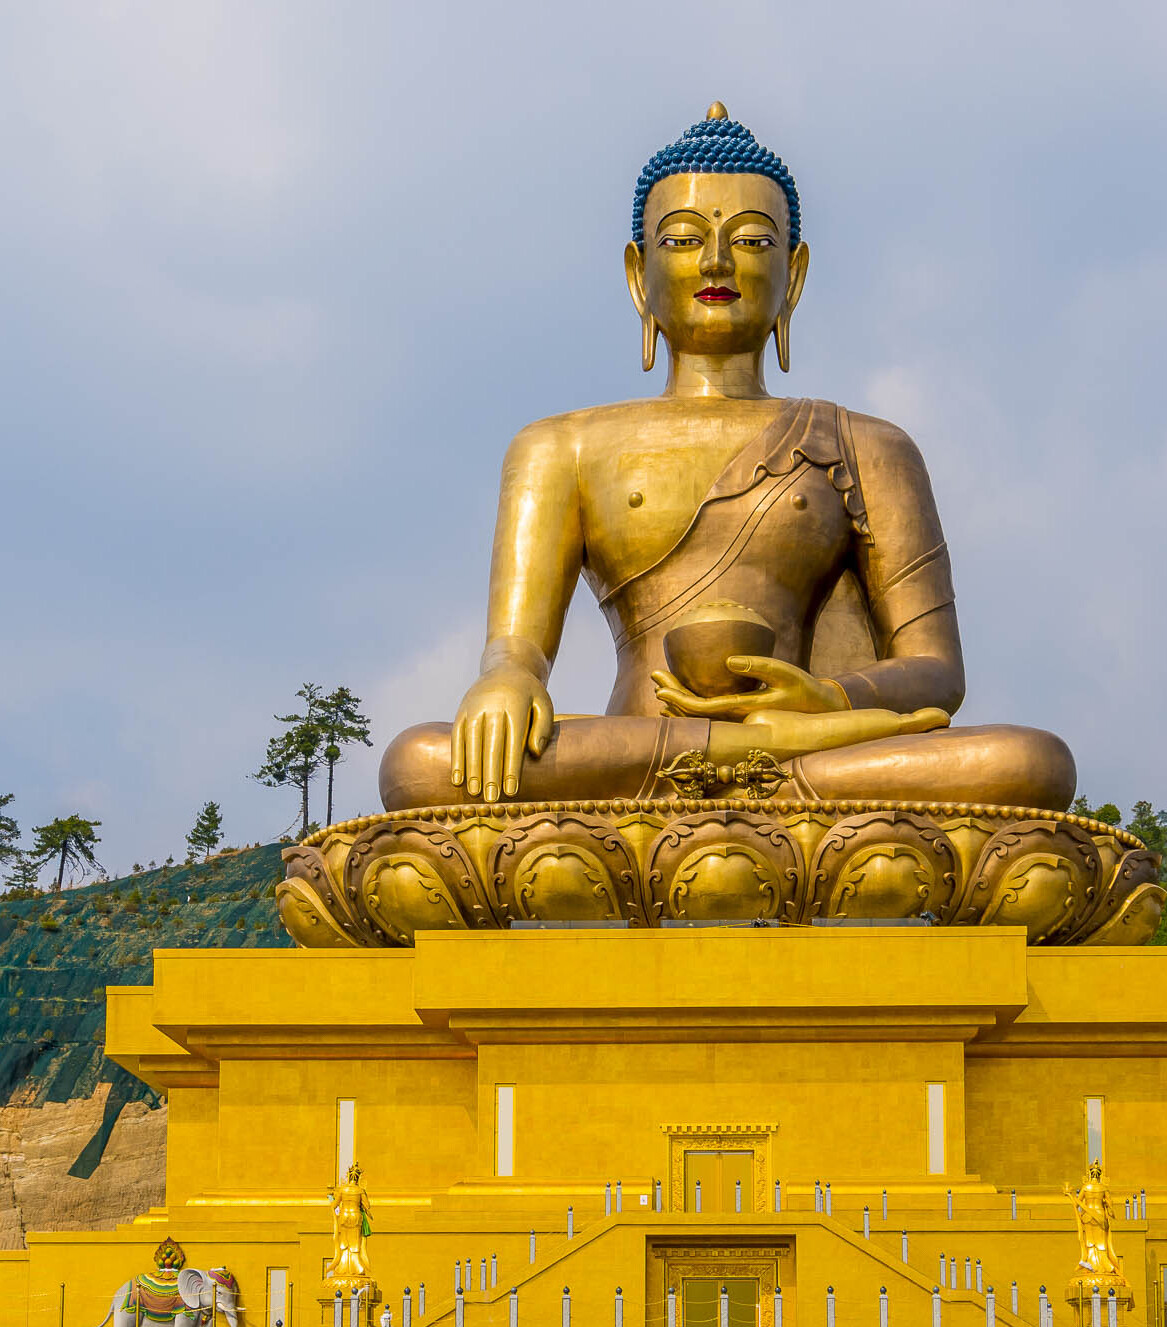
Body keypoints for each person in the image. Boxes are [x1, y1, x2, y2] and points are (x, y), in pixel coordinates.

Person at [381, 105, 1074, 813]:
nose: (715, 262)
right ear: (636, 274)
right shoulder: (560, 446)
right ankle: (744, 760)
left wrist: (827, 698)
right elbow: (516, 648)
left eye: (750, 240)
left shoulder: (871, 446)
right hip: (644, 746)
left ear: (793, 274)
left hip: (810, 749)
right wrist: (506, 679)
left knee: (1026, 763)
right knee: (422, 763)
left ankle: (752, 761)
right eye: (682, 239)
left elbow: (934, 671)